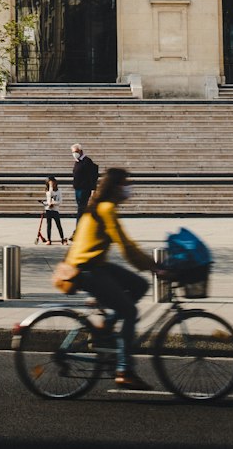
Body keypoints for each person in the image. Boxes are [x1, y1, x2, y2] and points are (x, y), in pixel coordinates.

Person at [63, 166, 157, 391]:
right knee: (130, 311)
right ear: (115, 187)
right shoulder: (105, 209)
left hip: (95, 265)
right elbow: (126, 246)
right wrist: (154, 266)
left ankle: (107, 325)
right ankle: (124, 370)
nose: (128, 188)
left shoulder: (98, 207)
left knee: (139, 285)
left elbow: (126, 246)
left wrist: (148, 267)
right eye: (125, 184)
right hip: (86, 269)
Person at [71, 143, 99, 220]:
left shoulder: (87, 161)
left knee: (81, 208)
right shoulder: (78, 161)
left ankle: (79, 226)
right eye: (73, 152)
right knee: (81, 208)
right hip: (78, 188)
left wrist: (93, 188)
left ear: (80, 151)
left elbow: (92, 175)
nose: (74, 154)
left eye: (76, 151)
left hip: (84, 189)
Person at [40, 176, 66, 244]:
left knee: (58, 225)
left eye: (53, 183)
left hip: (55, 210)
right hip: (48, 210)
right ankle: (49, 239)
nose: (52, 184)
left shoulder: (59, 191)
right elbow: (49, 198)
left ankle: (62, 238)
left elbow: (60, 201)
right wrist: (50, 187)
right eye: (50, 183)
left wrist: (53, 203)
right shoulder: (48, 191)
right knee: (49, 225)